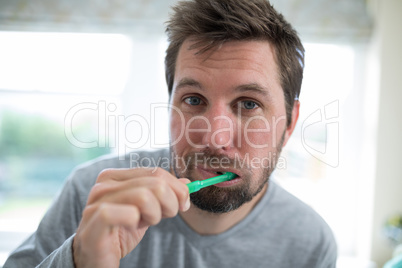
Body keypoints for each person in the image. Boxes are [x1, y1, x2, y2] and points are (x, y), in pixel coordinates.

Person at [4, 0, 337, 267]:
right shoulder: (90, 196)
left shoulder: (310, 244)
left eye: (248, 104)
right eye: (194, 100)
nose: (214, 138)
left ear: (289, 123)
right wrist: (81, 261)